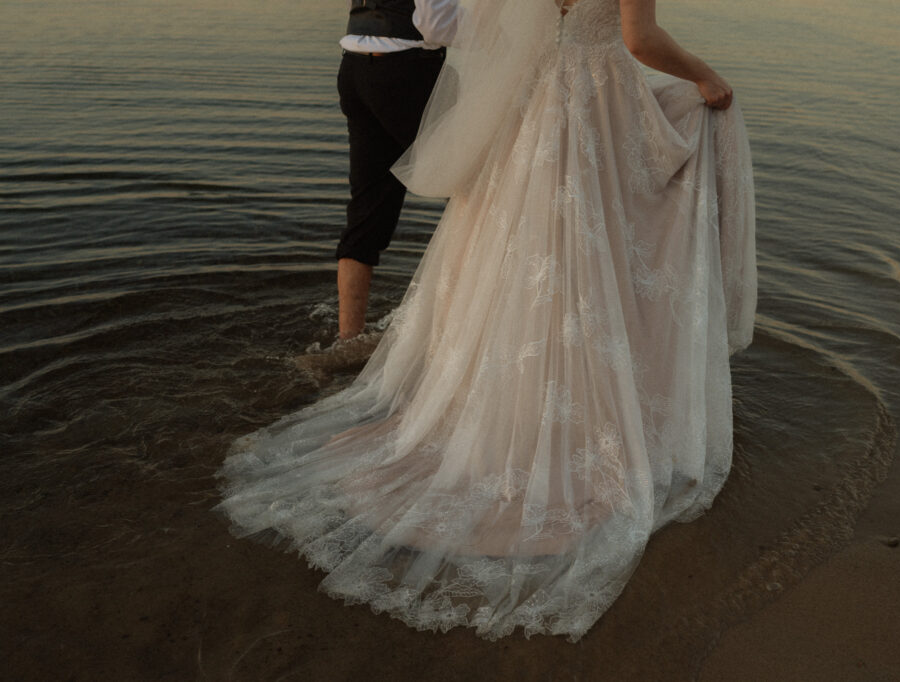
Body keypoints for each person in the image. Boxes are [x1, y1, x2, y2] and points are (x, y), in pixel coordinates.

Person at [217, 0, 756, 641]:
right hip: (599, 107)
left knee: (521, 254)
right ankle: (586, 405)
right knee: (598, 248)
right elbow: (639, 41)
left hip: (533, 106)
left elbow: (459, 25)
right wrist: (704, 75)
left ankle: (455, 383)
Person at [335, 0, 459, 339]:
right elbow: (436, 24)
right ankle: (456, 330)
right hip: (407, 72)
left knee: (366, 209)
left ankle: (348, 338)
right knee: (472, 191)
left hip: (354, 68)